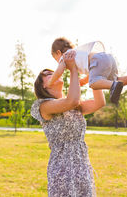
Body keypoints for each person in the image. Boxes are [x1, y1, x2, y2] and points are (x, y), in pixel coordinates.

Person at [31, 50, 105, 197]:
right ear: (43, 86)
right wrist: (73, 70)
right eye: (47, 75)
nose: (53, 73)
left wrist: (94, 74)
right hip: (62, 171)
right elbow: (71, 100)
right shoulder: (42, 106)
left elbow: (99, 102)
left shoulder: (75, 105)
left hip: (82, 166)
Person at [46, 37, 127, 105]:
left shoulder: (66, 56)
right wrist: (83, 82)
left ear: (58, 52)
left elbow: (59, 71)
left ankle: (113, 86)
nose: (58, 62)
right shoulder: (77, 54)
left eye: (56, 59)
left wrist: (51, 82)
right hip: (107, 58)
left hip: (97, 60)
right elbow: (92, 73)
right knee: (115, 79)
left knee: (94, 84)